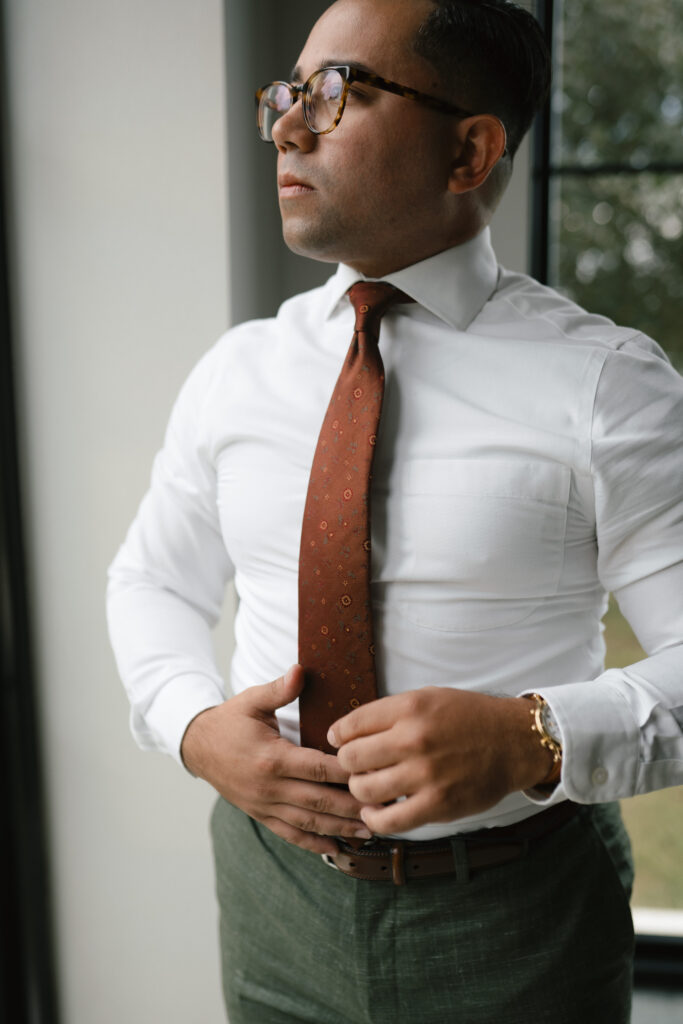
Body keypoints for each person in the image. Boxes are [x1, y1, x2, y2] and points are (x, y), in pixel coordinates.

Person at [107, 0, 683, 1020]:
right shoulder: (237, 370)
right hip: (267, 895)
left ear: (469, 151)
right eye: (287, 93)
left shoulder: (606, 387)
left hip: (517, 918)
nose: (288, 126)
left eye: (337, 92)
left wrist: (534, 736)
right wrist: (195, 727)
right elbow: (152, 576)